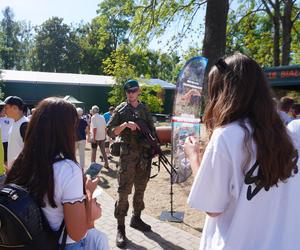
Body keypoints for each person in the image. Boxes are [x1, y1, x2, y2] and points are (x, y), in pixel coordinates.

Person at [184, 53, 299, 250]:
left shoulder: (227, 136)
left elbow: (212, 207)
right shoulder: (293, 133)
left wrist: (194, 158)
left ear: (223, 92)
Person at [5, 97, 109, 250]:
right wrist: (88, 192)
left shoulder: (17, 162)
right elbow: (77, 233)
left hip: (28, 242)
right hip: (61, 244)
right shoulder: (68, 169)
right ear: (65, 129)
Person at [107, 79, 154, 248]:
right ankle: (121, 228)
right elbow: (110, 131)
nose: (131, 93)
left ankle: (136, 218)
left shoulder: (144, 109)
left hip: (143, 157)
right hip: (127, 157)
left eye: (133, 90)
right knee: (123, 192)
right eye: (128, 91)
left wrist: (144, 133)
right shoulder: (121, 109)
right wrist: (125, 125)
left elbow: (152, 131)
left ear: (139, 91)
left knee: (140, 189)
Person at [4, 96, 29, 169]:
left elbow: (31, 150)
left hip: (21, 172)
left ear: (15, 108)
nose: (4, 110)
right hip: (15, 172)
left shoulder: (25, 125)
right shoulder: (15, 122)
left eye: (6, 108)